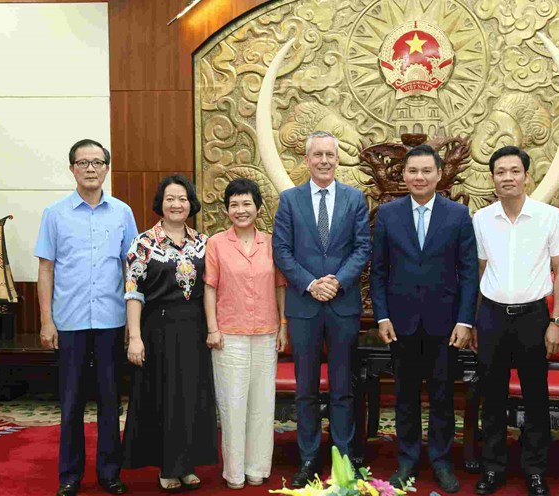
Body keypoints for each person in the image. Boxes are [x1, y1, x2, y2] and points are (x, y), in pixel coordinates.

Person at [370, 144, 479, 493]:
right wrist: (382, 315)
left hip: (444, 325)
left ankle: (442, 461)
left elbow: (468, 273)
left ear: (438, 175)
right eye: (412, 171)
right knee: (404, 396)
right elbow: (379, 271)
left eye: (426, 171)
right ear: (404, 175)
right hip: (400, 323)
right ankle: (407, 460)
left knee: (443, 396)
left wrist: (465, 321)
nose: (419, 177)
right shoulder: (387, 215)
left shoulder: (458, 215)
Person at [36, 139, 137, 496]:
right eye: (83, 163)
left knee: (110, 401)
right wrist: (47, 321)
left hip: (111, 321)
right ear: (72, 168)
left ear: (107, 167)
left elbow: (132, 271)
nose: (90, 169)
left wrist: (132, 325)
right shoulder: (55, 214)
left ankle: (110, 473)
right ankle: (69, 476)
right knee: (71, 402)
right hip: (70, 323)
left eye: (97, 162)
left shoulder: (122, 213)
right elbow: (46, 270)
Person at [471, 145, 559, 496]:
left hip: (534, 317)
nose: (508, 177)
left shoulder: (549, 217)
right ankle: (493, 467)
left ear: (526, 175)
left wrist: (556, 322)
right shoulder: (481, 219)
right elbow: (480, 271)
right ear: (493, 178)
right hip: (492, 317)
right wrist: (473, 322)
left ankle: (535, 470)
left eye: (514, 171)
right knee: (492, 395)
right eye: (500, 172)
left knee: (535, 396)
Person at [272, 131, 371, 487]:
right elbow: (281, 250)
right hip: (304, 306)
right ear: (307, 159)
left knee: (344, 387)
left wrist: (337, 282)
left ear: (337, 158)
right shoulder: (290, 200)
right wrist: (311, 284)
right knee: (306, 390)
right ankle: (309, 459)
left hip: (342, 306)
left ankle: (343, 460)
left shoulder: (354, 198)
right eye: (318, 155)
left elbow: (362, 248)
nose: (325, 160)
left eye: (330, 154)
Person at [121, 175, 218, 491]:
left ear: (191, 204)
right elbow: (133, 292)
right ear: (160, 204)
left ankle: (187, 464)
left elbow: (211, 290)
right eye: (170, 199)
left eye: (183, 199)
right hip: (157, 331)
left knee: (192, 398)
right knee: (163, 398)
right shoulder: (144, 243)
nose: (177, 204)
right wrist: (134, 337)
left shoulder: (204, 243)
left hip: (194, 329)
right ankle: (167, 466)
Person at [204, 178, 289, 490]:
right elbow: (210, 288)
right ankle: (235, 472)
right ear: (227, 209)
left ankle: (257, 468)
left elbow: (280, 286)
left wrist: (283, 325)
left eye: (246, 204)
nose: (240, 210)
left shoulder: (272, 242)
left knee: (262, 405)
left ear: (258, 207)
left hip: (266, 333)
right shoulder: (216, 244)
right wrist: (212, 328)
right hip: (229, 336)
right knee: (232, 404)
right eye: (234, 204)